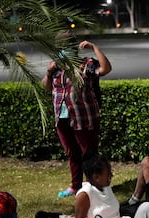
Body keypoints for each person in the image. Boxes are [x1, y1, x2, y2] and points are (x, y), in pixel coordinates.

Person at [42, 32, 112, 197]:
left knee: (89, 154)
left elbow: (105, 69)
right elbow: (46, 86)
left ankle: (92, 186)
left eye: (66, 47)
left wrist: (95, 48)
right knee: (72, 153)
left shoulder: (86, 64)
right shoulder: (55, 65)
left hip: (84, 117)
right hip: (62, 117)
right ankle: (75, 186)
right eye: (61, 47)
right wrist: (48, 72)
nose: (63, 50)